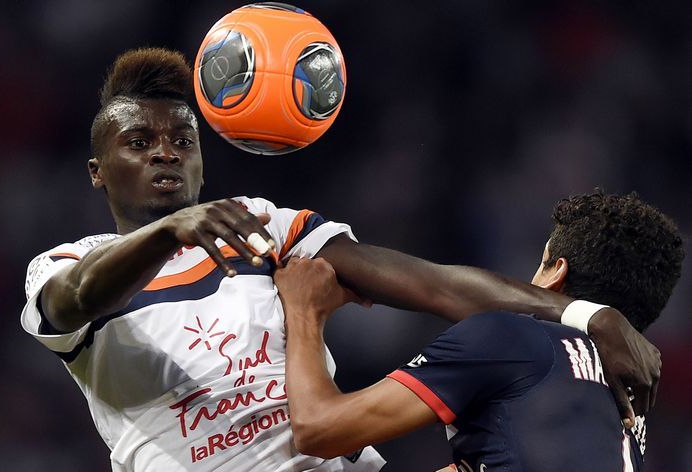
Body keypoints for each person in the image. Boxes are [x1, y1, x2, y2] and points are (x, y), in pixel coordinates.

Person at [20, 47, 657, 471]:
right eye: (139, 142)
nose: (165, 152)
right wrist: (168, 233)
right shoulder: (67, 263)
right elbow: (72, 300)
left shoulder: (261, 224)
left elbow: (434, 285)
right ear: (97, 172)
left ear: (201, 162)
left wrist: (582, 312)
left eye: (182, 140)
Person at [277, 191, 684, 471]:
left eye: (540, 262)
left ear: (555, 272)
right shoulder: (627, 404)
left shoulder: (517, 338)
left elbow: (318, 428)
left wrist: (303, 311)